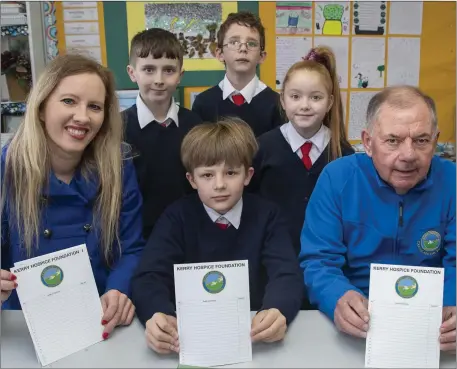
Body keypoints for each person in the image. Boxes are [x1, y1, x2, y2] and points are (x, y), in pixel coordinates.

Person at [299, 86, 456, 351]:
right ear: (368, 142)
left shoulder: (452, 180)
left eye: (421, 140)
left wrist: (453, 302)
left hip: (432, 327)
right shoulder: (336, 179)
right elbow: (318, 260)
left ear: (436, 141)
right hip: (356, 324)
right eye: (393, 141)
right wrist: (337, 296)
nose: (408, 155)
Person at [0, 54, 145, 340]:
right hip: (23, 327)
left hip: (100, 320)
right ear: (41, 108)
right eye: (69, 101)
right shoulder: (7, 168)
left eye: (94, 107)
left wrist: (119, 289)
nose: (82, 117)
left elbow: (131, 247)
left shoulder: (119, 166)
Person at [132, 118, 303, 354]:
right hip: (188, 338)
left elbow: (286, 272)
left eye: (231, 172)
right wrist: (157, 313)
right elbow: (148, 275)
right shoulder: (176, 217)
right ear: (192, 180)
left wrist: (277, 309)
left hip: (252, 337)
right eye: (207, 175)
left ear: (248, 175)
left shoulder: (267, 216)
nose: (220, 185)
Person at [250, 46, 354, 257]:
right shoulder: (262, 148)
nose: (304, 105)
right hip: (274, 257)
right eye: (295, 96)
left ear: (329, 102)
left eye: (315, 98)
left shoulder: (343, 153)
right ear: (283, 100)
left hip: (328, 257)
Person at [124, 28, 202, 240]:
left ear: (180, 76)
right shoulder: (115, 129)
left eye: (168, 70)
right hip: (134, 240)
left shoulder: (196, 126)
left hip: (188, 236)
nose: (159, 79)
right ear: (132, 73)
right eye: (148, 70)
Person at [192, 11, 283, 137]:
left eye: (251, 43)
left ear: (261, 56)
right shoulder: (203, 103)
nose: (243, 48)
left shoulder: (277, 104)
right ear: (220, 54)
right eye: (234, 42)